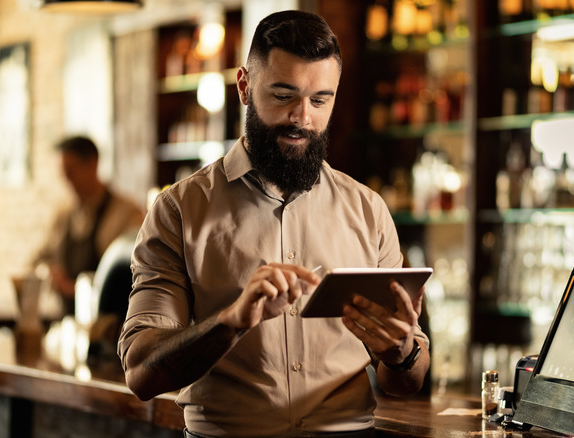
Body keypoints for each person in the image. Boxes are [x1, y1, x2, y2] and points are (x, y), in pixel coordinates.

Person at [118, 10, 430, 437]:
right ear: (245, 86)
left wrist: (401, 352)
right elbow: (140, 373)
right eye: (284, 95)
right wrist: (231, 321)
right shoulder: (178, 211)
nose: (302, 117)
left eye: (320, 100)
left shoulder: (368, 210)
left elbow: (406, 384)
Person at [34, 136, 145, 314]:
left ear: (93, 164)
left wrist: (80, 290)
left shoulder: (127, 212)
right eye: (63, 172)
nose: (66, 179)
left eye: (71, 170)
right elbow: (38, 260)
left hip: (110, 323)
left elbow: (135, 272)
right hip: (67, 320)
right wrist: (49, 273)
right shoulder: (63, 214)